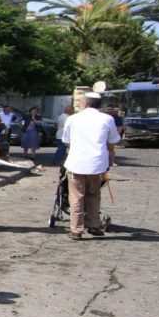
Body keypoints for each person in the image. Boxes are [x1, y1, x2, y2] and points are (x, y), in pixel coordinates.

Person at [61, 91, 120, 240]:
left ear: (85, 103)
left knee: (76, 197)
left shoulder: (73, 119)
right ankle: (94, 224)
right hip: (97, 164)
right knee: (94, 195)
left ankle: (76, 229)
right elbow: (113, 140)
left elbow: (66, 141)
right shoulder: (108, 119)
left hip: (77, 163)